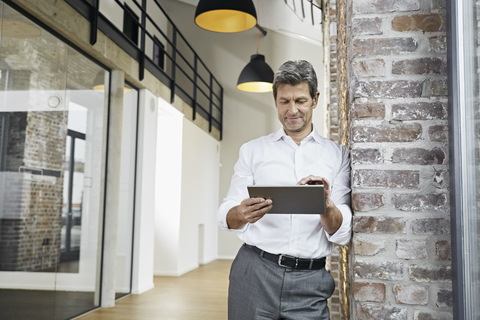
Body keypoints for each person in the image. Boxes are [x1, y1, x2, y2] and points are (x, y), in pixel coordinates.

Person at [217, 60, 352, 320]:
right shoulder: (252, 151)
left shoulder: (338, 156)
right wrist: (241, 213)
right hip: (254, 274)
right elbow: (226, 214)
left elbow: (341, 232)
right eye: (284, 101)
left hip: (310, 282)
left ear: (315, 99)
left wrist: (327, 204)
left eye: (300, 100)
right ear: (275, 100)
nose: (292, 110)